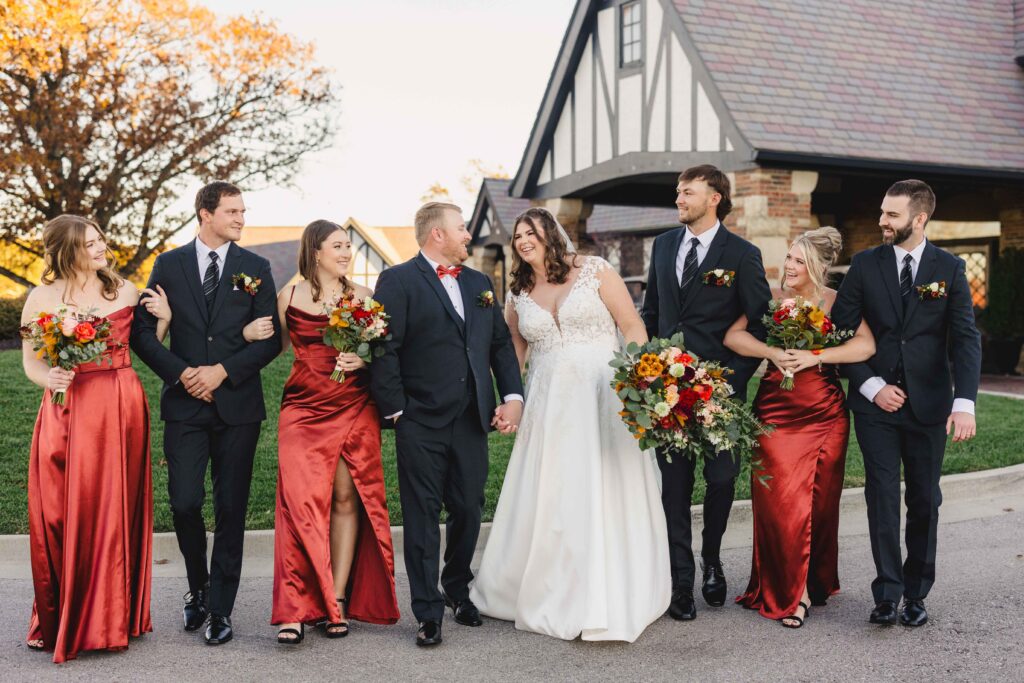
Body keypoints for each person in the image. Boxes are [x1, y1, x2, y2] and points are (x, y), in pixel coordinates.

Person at [469, 208, 670, 642]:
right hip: (549, 402)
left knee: (605, 481)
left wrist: (642, 373)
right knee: (556, 488)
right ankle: (551, 584)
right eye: (518, 235)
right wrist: (510, 401)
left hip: (604, 391)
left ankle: (611, 586)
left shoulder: (595, 270)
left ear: (549, 234)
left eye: (531, 232)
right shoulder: (518, 291)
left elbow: (631, 323)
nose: (523, 240)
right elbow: (513, 355)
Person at [130, 181, 281, 645]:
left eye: (242, 211)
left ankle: (220, 611)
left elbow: (273, 339)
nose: (241, 218)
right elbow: (142, 335)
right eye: (232, 211)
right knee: (185, 502)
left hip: (237, 406)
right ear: (205, 213)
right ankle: (197, 587)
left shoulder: (255, 267)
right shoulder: (169, 265)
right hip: (185, 406)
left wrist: (222, 372)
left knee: (232, 509)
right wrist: (184, 374)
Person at [369, 202, 524, 647]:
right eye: (461, 228)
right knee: (421, 514)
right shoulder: (397, 281)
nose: (467, 235)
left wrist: (512, 396)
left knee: (469, 507)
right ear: (437, 234)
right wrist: (397, 410)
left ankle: (458, 587)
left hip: (471, 417)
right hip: (420, 419)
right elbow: (385, 348)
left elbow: (498, 345)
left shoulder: (478, 282)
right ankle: (427, 610)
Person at [831, 180, 980, 628]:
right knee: (880, 496)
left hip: (930, 404)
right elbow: (841, 333)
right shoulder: (864, 264)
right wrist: (871, 384)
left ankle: (917, 593)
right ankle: (887, 592)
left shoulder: (949, 268)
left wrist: (965, 402)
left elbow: (966, 340)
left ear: (919, 219)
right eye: (882, 212)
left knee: (924, 500)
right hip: (875, 405)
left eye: (892, 215)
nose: (882, 221)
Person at [724, 227, 876, 627]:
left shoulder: (835, 302)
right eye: (789, 258)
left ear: (816, 267)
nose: (789, 267)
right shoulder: (770, 300)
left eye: (798, 260)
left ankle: (813, 582)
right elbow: (734, 336)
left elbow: (865, 345)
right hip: (775, 411)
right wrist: (771, 351)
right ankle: (792, 594)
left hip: (825, 412)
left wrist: (816, 355)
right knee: (782, 505)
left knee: (819, 505)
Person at [640, 164, 772, 621]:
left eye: (688, 192)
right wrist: (650, 372)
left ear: (714, 197)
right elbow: (653, 311)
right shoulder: (662, 246)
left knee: (720, 480)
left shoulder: (742, 254)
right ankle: (680, 582)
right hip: (667, 395)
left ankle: (711, 558)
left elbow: (760, 321)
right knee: (673, 489)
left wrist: (730, 382)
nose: (679, 198)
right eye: (677, 191)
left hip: (720, 394)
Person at [21, 215, 154, 663]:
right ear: (66, 250)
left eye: (100, 239)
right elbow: (32, 363)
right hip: (68, 408)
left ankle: (113, 615)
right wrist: (49, 375)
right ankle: (66, 615)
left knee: (117, 506)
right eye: (89, 243)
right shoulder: (41, 297)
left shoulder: (126, 291)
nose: (101, 248)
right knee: (65, 508)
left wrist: (167, 320)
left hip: (121, 404)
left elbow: (144, 347)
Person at [263, 220, 400, 644]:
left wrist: (364, 359)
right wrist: (249, 335)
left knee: (346, 497)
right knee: (299, 505)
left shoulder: (363, 298)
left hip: (355, 404)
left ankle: (335, 598)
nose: (346, 253)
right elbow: (274, 349)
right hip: (303, 409)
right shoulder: (288, 295)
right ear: (316, 251)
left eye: (348, 246)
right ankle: (294, 608)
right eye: (337, 246)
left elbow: (383, 349)